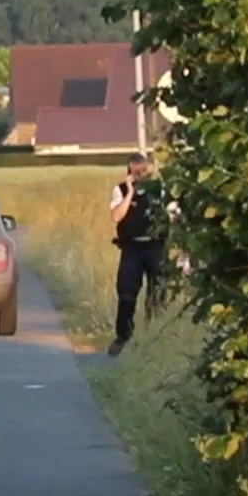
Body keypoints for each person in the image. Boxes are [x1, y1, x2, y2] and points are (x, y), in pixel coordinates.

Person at [108, 152, 167, 356]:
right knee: (126, 294)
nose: (141, 175)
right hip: (131, 248)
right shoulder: (120, 190)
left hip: (155, 246)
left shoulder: (159, 189)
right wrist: (130, 192)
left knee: (158, 292)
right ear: (129, 171)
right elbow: (117, 216)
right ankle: (123, 336)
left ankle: (156, 339)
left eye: (144, 171)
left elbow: (173, 215)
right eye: (136, 171)